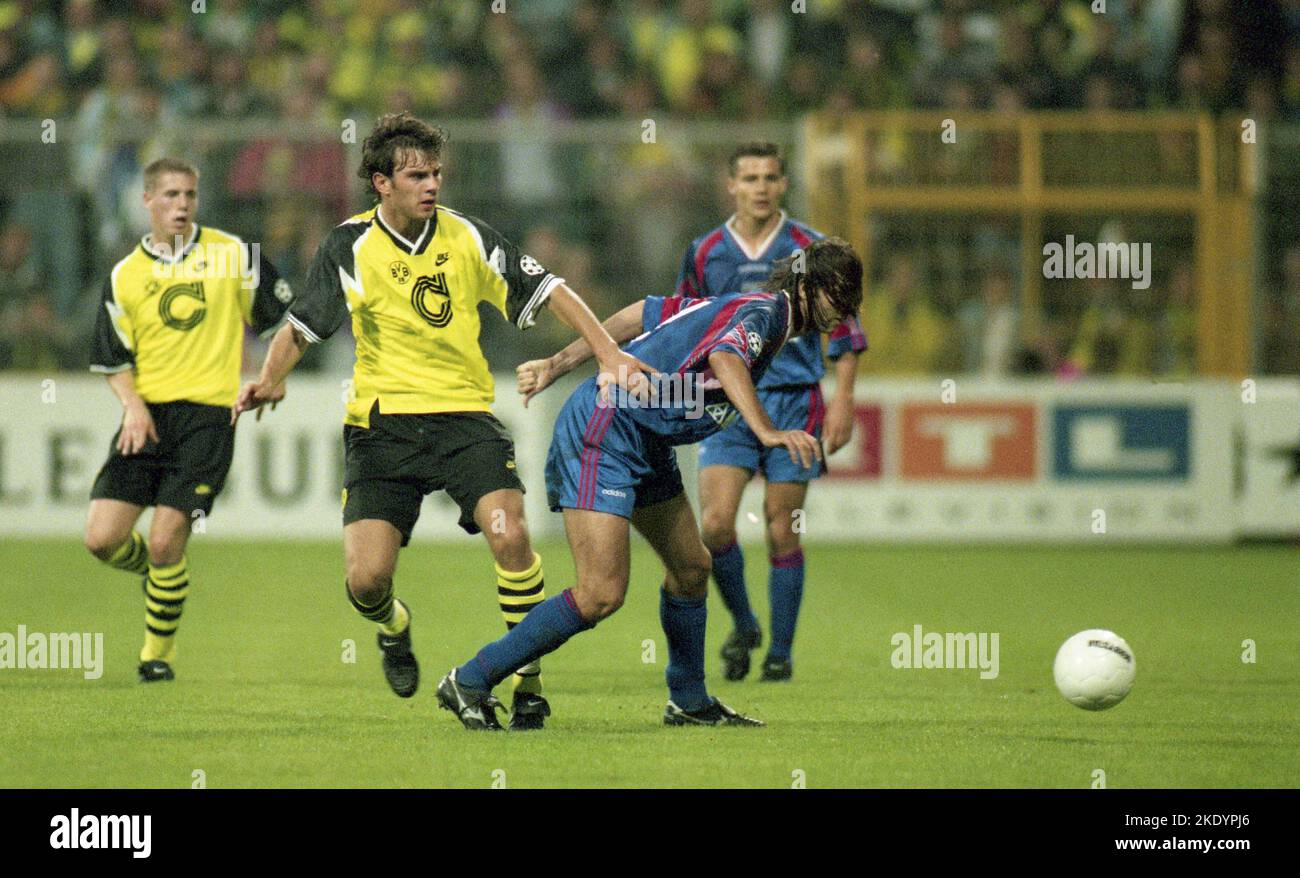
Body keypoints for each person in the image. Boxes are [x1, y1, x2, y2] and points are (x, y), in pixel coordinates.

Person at [233, 112, 648, 730]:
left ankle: (528, 680)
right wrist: (270, 379)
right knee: (368, 579)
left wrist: (608, 353)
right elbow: (302, 327)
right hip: (382, 428)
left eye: (436, 174)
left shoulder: (467, 238)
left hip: (463, 420)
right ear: (381, 183)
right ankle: (394, 628)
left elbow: (554, 290)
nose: (431, 185)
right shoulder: (349, 246)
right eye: (415, 175)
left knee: (510, 536)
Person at [436, 237, 864, 730]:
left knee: (691, 568)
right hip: (607, 428)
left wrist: (557, 365)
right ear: (807, 286)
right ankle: (469, 678)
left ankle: (689, 699)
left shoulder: (740, 306)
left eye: (852, 297)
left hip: (644, 437)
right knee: (601, 592)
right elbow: (727, 359)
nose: (844, 308)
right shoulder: (766, 314)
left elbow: (641, 314)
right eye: (836, 293)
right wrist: (766, 430)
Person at [84, 157, 293, 682]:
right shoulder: (125, 274)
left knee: (163, 539)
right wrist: (132, 406)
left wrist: (274, 375)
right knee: (102, 539)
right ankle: (163, 579)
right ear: (148, 201)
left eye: (190, 196)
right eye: (172, 195)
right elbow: (114, 358)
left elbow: (286, 322)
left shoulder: (235, 256)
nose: (182, 205)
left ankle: (157, 655)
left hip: (208, 416)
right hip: (147, 416)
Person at [676, 143, 867, 682]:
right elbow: (688, 320)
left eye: (770, 177)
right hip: (729, 405)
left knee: (783, 531)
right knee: (714, 526)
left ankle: (780, 654)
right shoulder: (705, 250)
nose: (760, 187)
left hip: (795, 400)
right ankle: (745, 623)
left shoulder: (810, 247)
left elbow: (846, 327)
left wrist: (844, 400)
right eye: (750, 178)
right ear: (731, 185)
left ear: (783, 185)